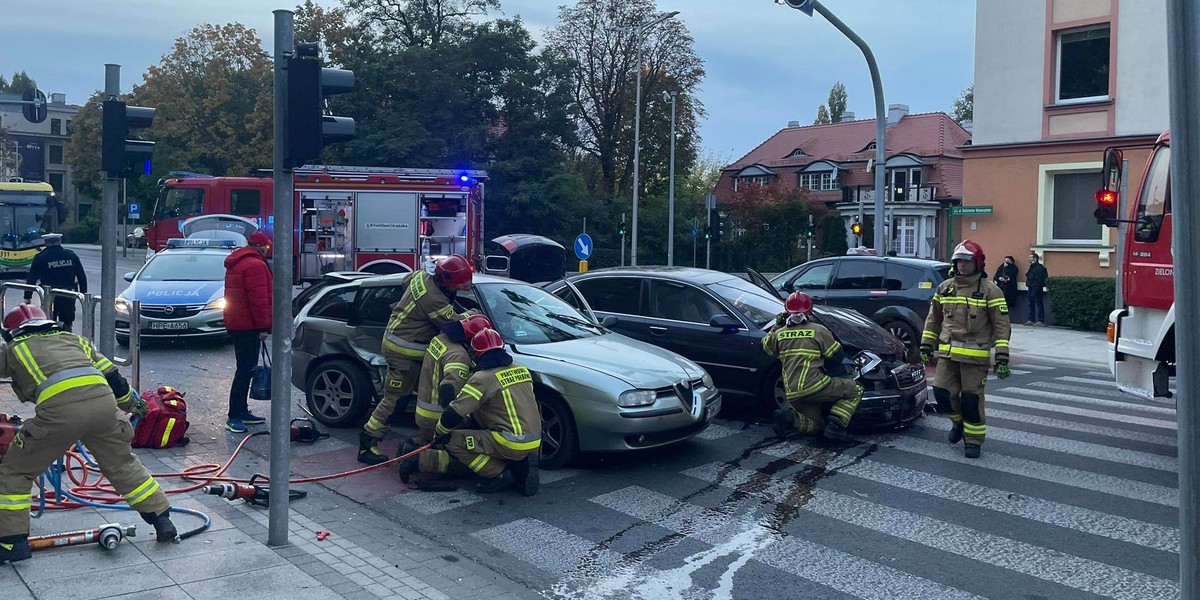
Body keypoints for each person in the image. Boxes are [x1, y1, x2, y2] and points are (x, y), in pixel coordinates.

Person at [0, 305, 177, 564]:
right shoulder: (75, 340)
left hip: (59, 414)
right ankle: (162, 519)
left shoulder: (12, 350)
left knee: (15, 471)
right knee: (122, 464)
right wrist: (133, 405)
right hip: (104, 406)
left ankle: (12, 543)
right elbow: (114, 378)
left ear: (13, 332)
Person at [358, 255, 473, 465]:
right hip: (404, 350)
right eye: (460, 284)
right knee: (395, 399)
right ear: (447, 282)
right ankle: (367, 442)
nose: (464, 287)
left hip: (400, 339)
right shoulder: (434, 299)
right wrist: (471, 316)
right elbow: (454, 326)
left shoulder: (421, 276)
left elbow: (405, 281)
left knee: (417, 393)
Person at [399, 328, 540, 496]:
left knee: (453, 441)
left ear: (475, 353)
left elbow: (455, 413)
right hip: (535, 440)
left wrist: (439, 433)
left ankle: (498, 473)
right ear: (502, 348)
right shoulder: (521, 369)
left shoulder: (482, 379)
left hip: (509, 441)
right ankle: (521, 464)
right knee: (485, 435)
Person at [920, 240, 1012, 459]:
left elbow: (1001, 325)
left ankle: (973, 441)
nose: (962, 265)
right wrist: (926, 344)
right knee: (942, 394)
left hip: (975, 358)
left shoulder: (991, 291)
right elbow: (933, 319)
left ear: (977, 263)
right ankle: (957, 422)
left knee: (971, 400)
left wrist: (1001, 356)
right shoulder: (945, 288)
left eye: (967, 261)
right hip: (948, 356)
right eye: (958, 261)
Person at [762, 291, 864, 442]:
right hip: (815, 386)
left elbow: (765, 347)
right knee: (856, 389)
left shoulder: (780, 334)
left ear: (786, 311)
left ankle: (789, 418)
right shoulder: (819, 330)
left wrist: (777, 325)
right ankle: (836, 427)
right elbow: (837, 357)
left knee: (816, 425)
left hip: (792, 392)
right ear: (809, 310)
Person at [410, 314, 492, 445]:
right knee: (461, 451)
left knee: (432, 443)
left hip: (424, 411)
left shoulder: (441, 339)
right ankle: (417, 458)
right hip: (437, 417)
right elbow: (450, 392)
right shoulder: (459, 356)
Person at [222, 231, 273, 433]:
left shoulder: (238, 261)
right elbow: (258, 301)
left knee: (245, 368)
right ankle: (235, 415)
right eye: (267, 247)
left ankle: (242, 411)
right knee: (245, 370)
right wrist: (263, 327)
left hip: (237, 323)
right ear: (259, 246)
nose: (267, 250)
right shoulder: (255, 265)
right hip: (248, 326)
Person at [24, 233, 87, 332]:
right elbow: (81, 276)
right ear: (59, 241)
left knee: (48, 322)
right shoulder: (71, 255)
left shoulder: (40, 257)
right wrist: (83, 294)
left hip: (49, 295)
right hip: (68, 295)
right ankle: (67, 339)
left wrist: (28, 296)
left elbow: (32, 278)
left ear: (46, 243)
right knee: (67, 322)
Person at [1025, 252, 1049, 326]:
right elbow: (1030, 277)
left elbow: (1039, 280)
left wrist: (1034, 290)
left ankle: (1040, 320)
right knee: (1031, 304)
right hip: (1031, 288)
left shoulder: (1039, 268)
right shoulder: (1032, 267)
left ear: (1035, 259)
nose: (1029, 259)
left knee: (1039, 304)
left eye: (1030, 257)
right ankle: (1031, 319)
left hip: (1037, 289)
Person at [993, 256, 1020, 320]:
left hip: (1008, 289)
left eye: (1007, 261)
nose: (1005, 263)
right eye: (1005, 261)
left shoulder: (1014, 268)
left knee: (1007, 304)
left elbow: (1010, 275)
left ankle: (1005, 317)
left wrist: (1006, 270)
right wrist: (999, 278)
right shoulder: (1001, 267)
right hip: (1001, 288)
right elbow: (997, 275)